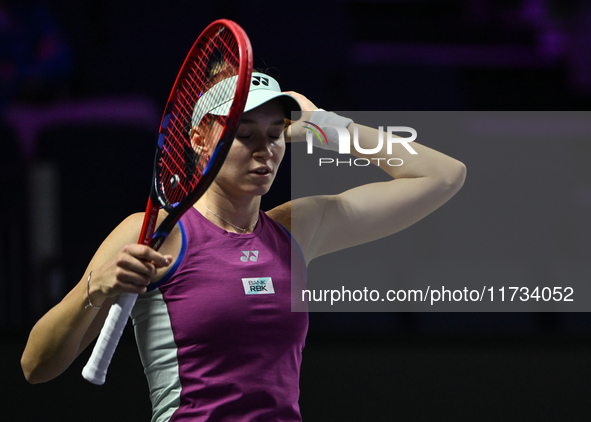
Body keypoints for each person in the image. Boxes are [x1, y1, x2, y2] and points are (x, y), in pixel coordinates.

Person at [21, 71, 466, 421]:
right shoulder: (154, 232)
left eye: (274, 134)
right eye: (244, 133)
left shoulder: (297, 228)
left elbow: (443, 176)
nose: (265, 149)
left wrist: (325, 127)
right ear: (198, 140)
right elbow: (35, 366)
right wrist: (93, 290)